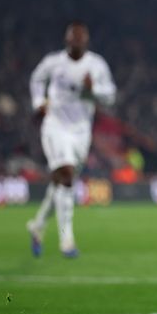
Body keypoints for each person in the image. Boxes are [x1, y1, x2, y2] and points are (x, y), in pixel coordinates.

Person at [27, 21, 116, 258]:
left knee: (61, 183)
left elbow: (110, 96)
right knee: (66, 176)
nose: (77, 41)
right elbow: (36, 79)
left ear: (86, 41)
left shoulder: (96, 65)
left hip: (81, 132)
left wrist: (93, 89)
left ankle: (37, 225)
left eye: (81, 38)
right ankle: (66, 239)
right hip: (55, 126)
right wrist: (39, 102)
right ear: (67, 40)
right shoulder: (53, 62)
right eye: (73, 38)